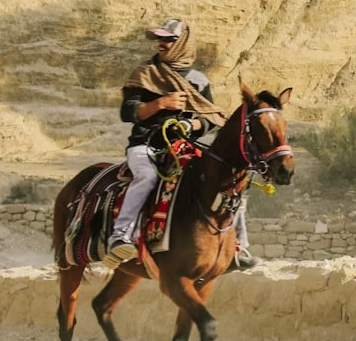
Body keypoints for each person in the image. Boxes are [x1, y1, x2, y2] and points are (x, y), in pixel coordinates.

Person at [104, 18, 259, 270]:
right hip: (146, 145)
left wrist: (191, 126)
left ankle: (238, 246)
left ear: (183, 43)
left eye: (168, 39)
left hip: (184, 147)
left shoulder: (199, 80)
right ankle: (120, 236)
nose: (161, 43)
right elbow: (127, 112)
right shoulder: (144, 73)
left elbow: (209, 119)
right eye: (160, 39)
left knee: (226, 181)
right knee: (146, 177)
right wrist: (160, 104)